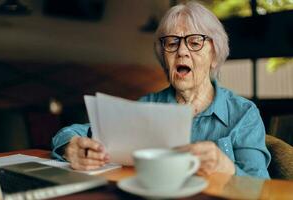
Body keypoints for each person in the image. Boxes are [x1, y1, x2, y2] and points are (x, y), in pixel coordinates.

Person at [52, 1, 270, 178]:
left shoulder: (244, 115)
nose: (182, 51)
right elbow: (77, 132)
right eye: (172, 43)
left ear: (214, 56)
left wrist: (228, 169)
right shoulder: (146, 107)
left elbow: (261, 188)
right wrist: (71, 147)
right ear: (164, 58)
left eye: (195, 42)